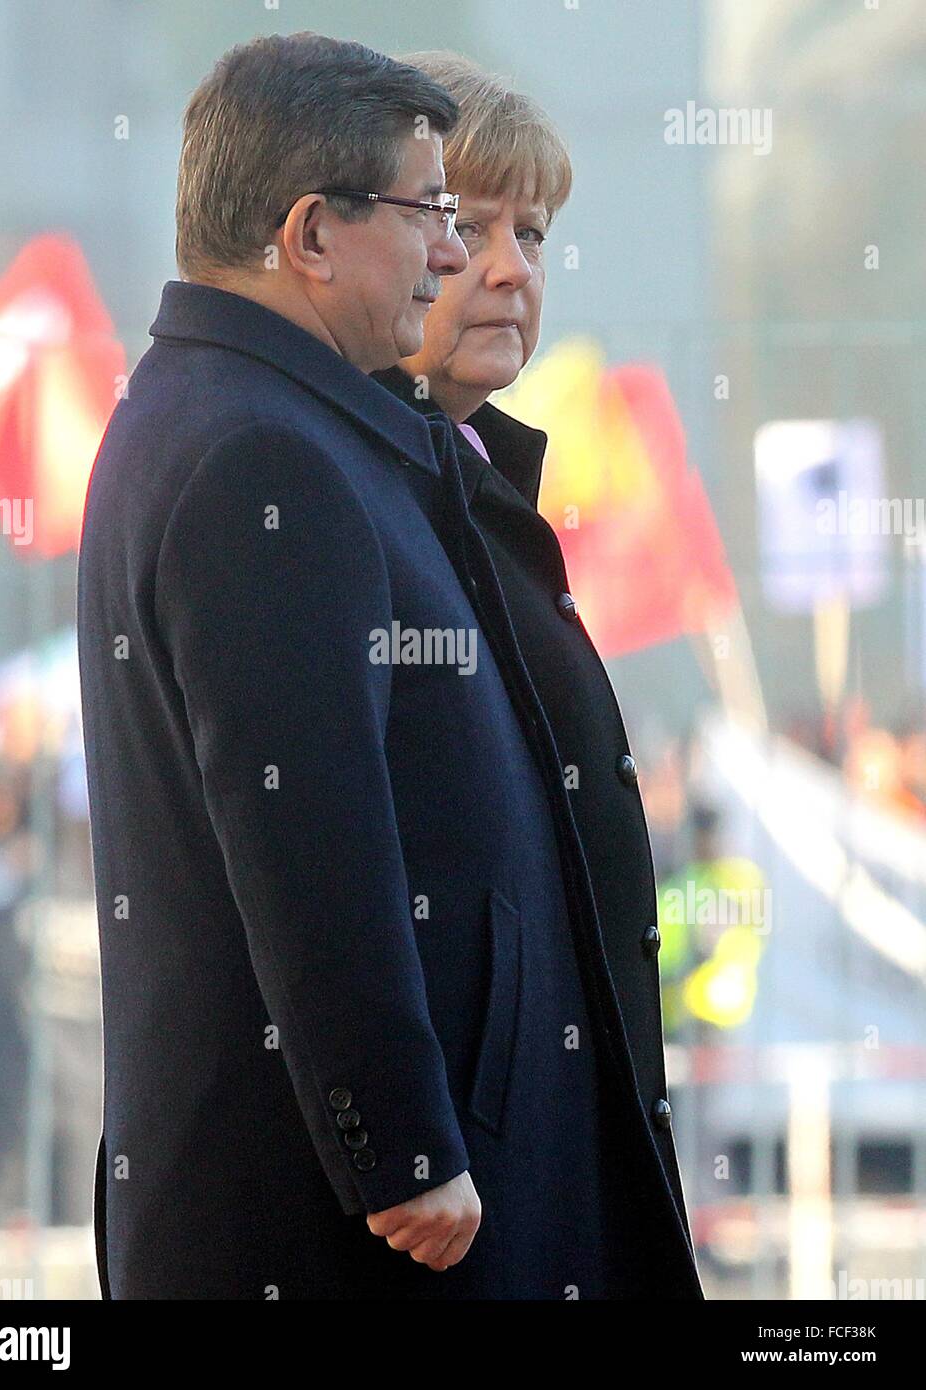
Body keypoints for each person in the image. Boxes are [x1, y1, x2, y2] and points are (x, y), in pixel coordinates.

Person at [372, 52, 706, 1297]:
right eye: (467, 225)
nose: (511, 265)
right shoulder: (353, 493)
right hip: (454, 1213)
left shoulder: (474, 484)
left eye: (534, 229)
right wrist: (409, 1143)